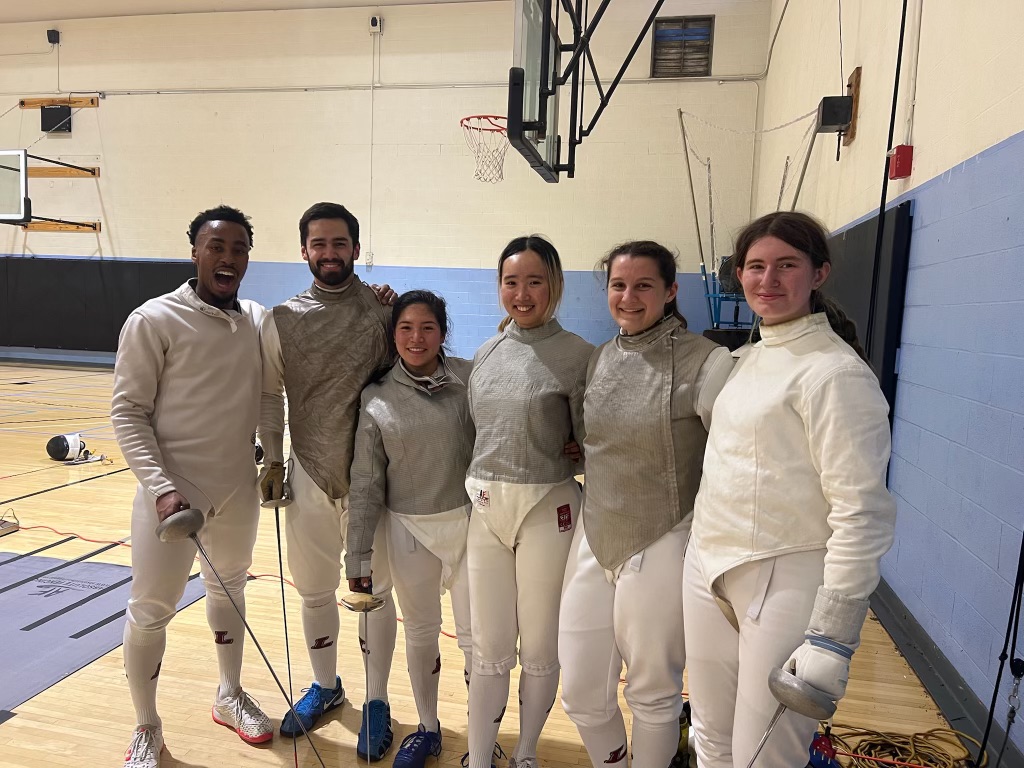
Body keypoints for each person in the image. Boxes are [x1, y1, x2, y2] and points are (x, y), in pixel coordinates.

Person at [682, 211, 897, 767]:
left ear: (818, 273)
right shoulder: (746, 360)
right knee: (710, 738)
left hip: (785, 577)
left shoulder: (836, 375)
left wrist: (835, 632)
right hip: (708, 567)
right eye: (755, 267)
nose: (768, 280)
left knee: (766, 756)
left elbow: (863, 512)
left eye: (786, 266)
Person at [558, 241, 733, 768]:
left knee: (653, 692)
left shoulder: (706, 361)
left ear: (670, 291)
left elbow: (739, 454)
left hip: (664, 535)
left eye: (643, 286)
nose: (628, 296)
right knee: (582, 692)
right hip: (595, 533)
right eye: (618, 285)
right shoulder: (601, 357)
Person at [113, 205, 273, 768]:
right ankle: (146, 728)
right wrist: (159, 487)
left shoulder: (255, 318)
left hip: (236, 490)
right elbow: (128, 412)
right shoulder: (153, 320)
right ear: (195, 253)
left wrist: (273, 460)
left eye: (238, 249)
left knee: (230, 590)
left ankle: (229, 694)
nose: (228, 257)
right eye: (216, 247)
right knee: (151, 608)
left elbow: (269, 397)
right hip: (172, 495)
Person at [258, 201, 397, 760]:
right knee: (314, 588)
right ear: (304, 252)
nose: (329, 253)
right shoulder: (282, 319)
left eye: (339, 243)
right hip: (309, 473)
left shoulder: (385, 311)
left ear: (356, 249)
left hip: (374, 476)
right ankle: (325, 686)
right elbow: (270, 395)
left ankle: (379, 702)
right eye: (319, 244)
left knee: (376, 593)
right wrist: (271, 459)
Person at [464, 235, 594, 768]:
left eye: (534, 281)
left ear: (555, 286)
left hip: (550, 508)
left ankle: (524, 753)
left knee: (540, 647)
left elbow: (593, 443)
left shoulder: (580, 356)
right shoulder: (485, 352)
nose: (522, 293)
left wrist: (580, 450)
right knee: (488, 649)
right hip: (486, 508)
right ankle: (477, 755)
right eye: (511, 281)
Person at [345, 290, 475, 768]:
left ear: (442, 332)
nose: (416, 338)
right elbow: (365, 482)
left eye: (427, 328)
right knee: (421, 631)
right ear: (393, 334)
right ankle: (428, 728)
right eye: (405, 328)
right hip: (408, 530)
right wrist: (357, 558)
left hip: (470, 527)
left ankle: (482, 736)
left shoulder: (469, 379)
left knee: (477, 640)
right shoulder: (376, 396)